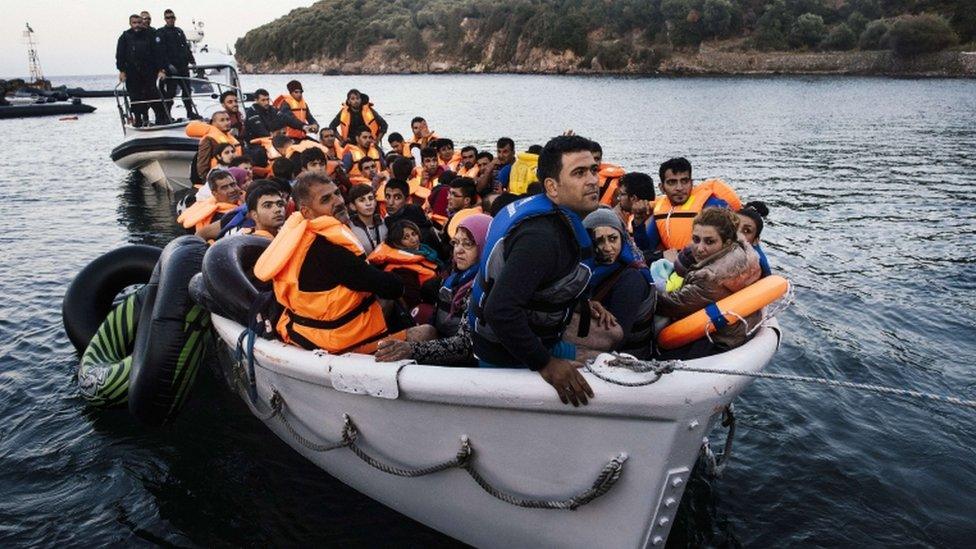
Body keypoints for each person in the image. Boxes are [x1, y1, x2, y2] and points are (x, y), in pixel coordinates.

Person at [469, 135, 600, 406]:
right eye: (579, 173)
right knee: (601, 359)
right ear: (552, 187)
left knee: (609, 342)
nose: (593, 180)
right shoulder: (541, 238)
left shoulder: (549, 216)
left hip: (532, 338)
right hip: (506, 355)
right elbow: (499, 310)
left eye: (593, 170)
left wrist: (583, 301)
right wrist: (547, 364)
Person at [253, 172, 414, 354]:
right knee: (425, 332)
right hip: (336, 343)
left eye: (337, 193)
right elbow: (390, 287)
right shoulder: (327, 248)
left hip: (304, 330)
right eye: (326, 199)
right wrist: (401, 282)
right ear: (306, 212)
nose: (338, 201)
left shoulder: (300, 237)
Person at [375, 214, 492, 365]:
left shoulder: (482, 287)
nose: (459, 250)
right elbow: (435, 322)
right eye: (456, 243)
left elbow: (466, 346)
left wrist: (412, 350)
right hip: (444, 345)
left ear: (485, 246)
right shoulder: (452, 277)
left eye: (468, 244)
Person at [656, 207, 761, 359]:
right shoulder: (743, 251)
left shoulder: (712, 278)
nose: (699, 248)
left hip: (718, 342)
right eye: (696, 239)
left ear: (727, 242)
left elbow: (668, 305)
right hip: (737, 331)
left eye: (709, 242)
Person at [582, 208, 656, 356]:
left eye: (613, 238)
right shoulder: (586, 270)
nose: (608, 248)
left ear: (622, 237)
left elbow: (616, 338)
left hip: (629, 356)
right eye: (599, 241)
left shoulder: (632, 279)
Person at [653, 157, 742, 260]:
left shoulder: (711, 205)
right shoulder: (656, 208)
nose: (679, 188)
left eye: (684, 181)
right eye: (672, 182)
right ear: (662, 188)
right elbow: (645, 245)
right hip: (672, 262)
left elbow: (736, 240)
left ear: (691, 183)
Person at [367, 220, 441, 310]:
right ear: (397, 243)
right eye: (406, 238)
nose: (413, 239)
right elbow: (412, 301)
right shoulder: (399, 270)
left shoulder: (423, 251)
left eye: (414, 234)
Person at [116, 14, 166, 126]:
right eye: (134, 23)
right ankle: (138, 119)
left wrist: (161, 69)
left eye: (139, 23)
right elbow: (120, 55)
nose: (137, 25)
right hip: (132, 72)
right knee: (135, 96)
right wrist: (122, 71)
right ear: (130, 23)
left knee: (154, 94)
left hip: (149, 71)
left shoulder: (150, 35)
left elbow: (158, 53)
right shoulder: (125, 37)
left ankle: (160, 119)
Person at [177, 170, 243, 238]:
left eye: (233, 184)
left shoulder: (246, 200)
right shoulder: (217, 217)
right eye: (224, 188)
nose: (232, 190)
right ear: (215, 194)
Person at [156, 9, 196, 120]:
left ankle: (190, 112)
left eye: (172, 17)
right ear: (165, 19)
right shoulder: (161, 32)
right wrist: (167, 65)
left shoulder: (179, 31)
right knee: (171, 93)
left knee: (187, 91)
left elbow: (186, 47)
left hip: (183, 66)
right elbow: (161, 51)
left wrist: (192, 60)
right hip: (171, 69)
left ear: (175, 18)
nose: (170, 19)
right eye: (168, 17)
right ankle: (167, 115)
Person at [614, 172, 656, 256]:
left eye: (622, 194)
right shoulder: (629, 217)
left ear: (633, 198)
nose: (618, 199)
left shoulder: (653, 220)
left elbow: (642, 251)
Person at [195, 111, 241, 182]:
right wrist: (208, 181)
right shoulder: (209, 139)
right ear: (213, 123)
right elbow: (202, 164)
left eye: (228, 119)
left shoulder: (230, 137)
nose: (226, 122)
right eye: (222, 120)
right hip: (219, 178)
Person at [347, 183, 387, 255]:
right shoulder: (349, 228)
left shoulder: (385, 223)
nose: (368, 203)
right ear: (353, 206)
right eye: (362, 200)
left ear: (375, 202)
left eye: (371, 198)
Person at [737, 201, 772, 277]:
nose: (737, 233)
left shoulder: (755, 264)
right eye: (734, 225)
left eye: (746, 231)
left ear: (756, 240)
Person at [589, 141, 627, 206]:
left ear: (601, 160)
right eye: (590, 158)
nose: (594, 162)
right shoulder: (573, 178)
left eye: (597, 159)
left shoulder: (617, 183)